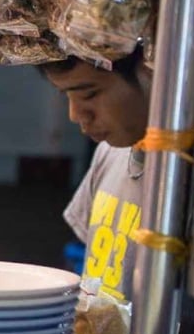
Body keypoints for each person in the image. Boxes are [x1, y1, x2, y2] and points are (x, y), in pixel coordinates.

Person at [40, 50, 151, 302]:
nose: (76, 114)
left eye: (89, 94)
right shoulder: (109, 153)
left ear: (151, 71)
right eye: (66, 95)